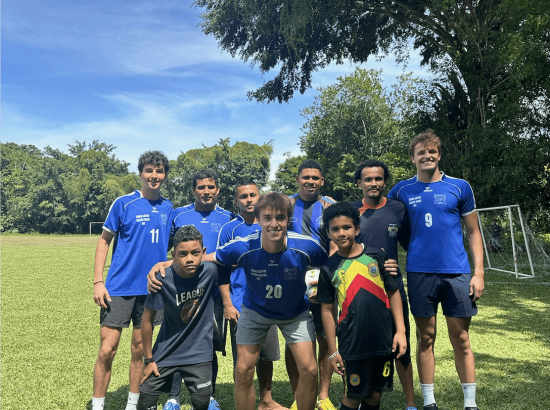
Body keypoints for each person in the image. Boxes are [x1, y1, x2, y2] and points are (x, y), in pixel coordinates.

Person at [388, 130, 485, 410]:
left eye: (432, 152)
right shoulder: (402, 190)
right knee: (426, 337)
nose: (427, 156)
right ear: (413, 158)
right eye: (421, 153)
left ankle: (470, 403)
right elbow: (385, 217)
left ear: (439, 155)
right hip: (420, 273)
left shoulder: (460, 187)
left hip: (456, 272)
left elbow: (474, 232)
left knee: (462, 338)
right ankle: (429, 402)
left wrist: (478, 273)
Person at [214, 193, 327, 410]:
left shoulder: (306, 245)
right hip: (256, 311)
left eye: (280, 218)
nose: (274, 224)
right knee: (243, 369)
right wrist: (166, 263)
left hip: (295, 313)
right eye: (267, 218)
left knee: (310, 369)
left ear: (288, 220)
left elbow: (328, 264)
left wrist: (318, 290)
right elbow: (218, 260)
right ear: (258, 220)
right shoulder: (243, 246)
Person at [92, 151, 173, 410]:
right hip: (118, 288)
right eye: (149, 170)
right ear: (140, 173)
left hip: (152, 289)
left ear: (165, 176)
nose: (154, 175)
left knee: (139, 350)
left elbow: (175, 248)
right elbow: (104, 241)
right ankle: (97, 405)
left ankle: (132, 404)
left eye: (159, 171)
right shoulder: (123, 203)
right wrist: (98, 282)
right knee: (107, 350)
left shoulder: (169, 208)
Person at [154, 169, 233, 410]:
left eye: (211, 187)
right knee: (177, 339)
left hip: (213, 289)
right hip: (180, 289)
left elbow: (228, 255)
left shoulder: (228, 217)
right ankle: (172, 398)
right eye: (201, 187)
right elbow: (168, 249)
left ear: (218, 190)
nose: (206, 192)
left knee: (208, 342)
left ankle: (208, 396)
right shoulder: (180, 215)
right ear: (193, 190)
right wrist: (159, 265)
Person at [317, 202, 407, 410]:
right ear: (329, 233)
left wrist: (400, 331)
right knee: (353, 396)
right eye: (335, 229)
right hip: (352, 342)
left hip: (382, 339)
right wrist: (332, 350)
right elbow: (326, 311)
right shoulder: (328, 268)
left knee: (374, 396)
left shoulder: (377, 256)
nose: (341, 233)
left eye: (346, 227)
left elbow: (393, 293)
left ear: (357, 229)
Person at [350, 159, 417, 410]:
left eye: (378, 178)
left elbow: (411, 245)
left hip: (392, 288)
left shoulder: (398, 209)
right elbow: (342, 248)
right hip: (358, 291)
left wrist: (399, 268)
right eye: (368, 179)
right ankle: (357, 397)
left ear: (384, 182)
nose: (374, 183)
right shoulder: (351, 211)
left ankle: (410, 404)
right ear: (360, 183)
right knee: (360, 347)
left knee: (402, 344)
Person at [138, 225, 229, 410]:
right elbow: (146, 320)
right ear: (174, 254)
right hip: (166, 352)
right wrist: (149, 360)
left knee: (202, 402)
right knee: (146, 401)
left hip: (199, 353)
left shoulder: (210, 271)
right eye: (183, 254)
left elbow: (232, 258)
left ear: (203, 252)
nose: (189, 259)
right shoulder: (161, 280)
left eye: (195, 253)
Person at [217, 179, 286, 410]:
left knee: (266, 357)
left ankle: (266, 400)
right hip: (241, 303)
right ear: (236, 200)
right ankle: (244, 404)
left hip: (269, 300)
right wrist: (228, 303)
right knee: (244, 361)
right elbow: (221, 268)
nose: (249, 200)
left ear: (260, 197)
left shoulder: (271, 223)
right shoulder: (230, 229)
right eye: (243, 196)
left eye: (253, 195)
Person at [286, 159, 337, 410]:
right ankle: (298, 396)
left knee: (325, 337)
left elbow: (339, 241)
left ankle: (324, 396)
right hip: (291, 278)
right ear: (298, 179)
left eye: (315, 178)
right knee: (292, 338)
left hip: (323, 277)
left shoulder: (330, 206)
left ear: (322, 181)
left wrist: (333, 273)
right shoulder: (286, 204)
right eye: (305, 177)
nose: (310, 182)